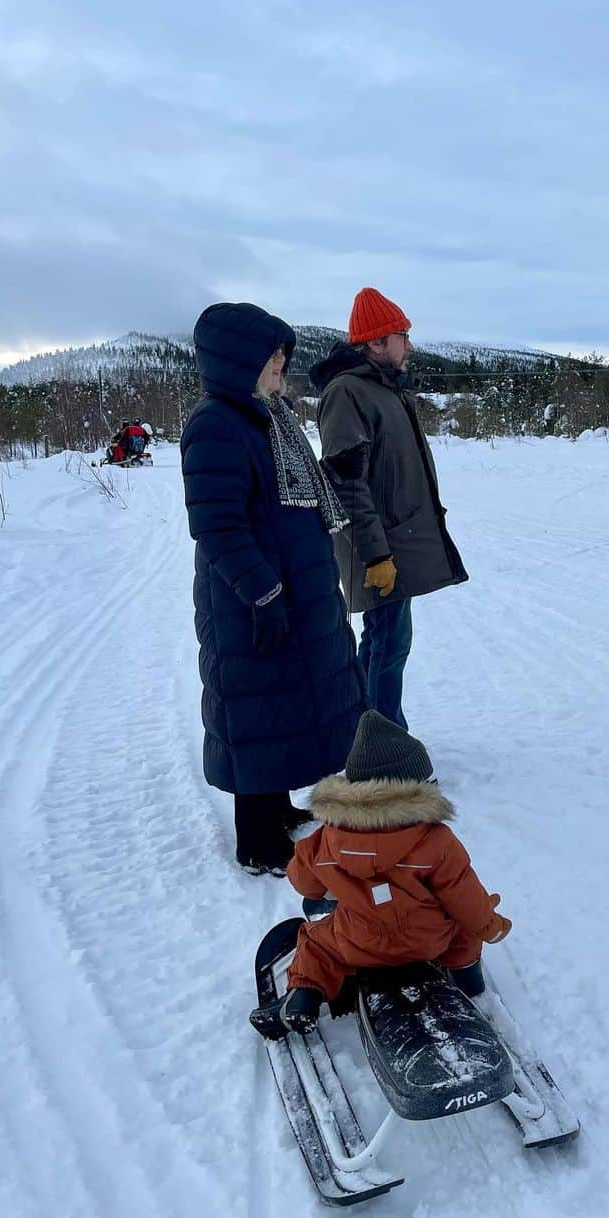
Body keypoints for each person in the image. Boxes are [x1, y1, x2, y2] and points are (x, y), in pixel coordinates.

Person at [181, 302, 365, 876]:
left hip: (291, 589)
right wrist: (262, 593)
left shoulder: (269, 416)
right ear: (239, 361)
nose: (282, 361)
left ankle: (276, 807)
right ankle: (257, 842)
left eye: (284, 350)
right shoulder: (216, 424)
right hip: (250, 599)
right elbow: (217, 524)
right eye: (272, 353)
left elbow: (292, 498)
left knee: (284, 704)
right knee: (255, 707)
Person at [253, 710, 512, 1037]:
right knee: (463, 925)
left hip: (360, 942)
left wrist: (330, 884)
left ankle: (304, 995)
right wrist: (489, 923)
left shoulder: (332, 837)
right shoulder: (437, 841)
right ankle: (467, 977)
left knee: (317, 942)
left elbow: (304, 882)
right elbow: (465, 896)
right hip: (429, 942)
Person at [312, 287, 468, 733]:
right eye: (402, 335)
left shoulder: (385, 389)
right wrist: (376, 555)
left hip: (395, 542)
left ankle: (363, 730)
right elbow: (347, 483)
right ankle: (383, 744)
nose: (410, 345)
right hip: (379, 548)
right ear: (377, 342)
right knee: (387, 644)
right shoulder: (348, 393)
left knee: (385, 642)